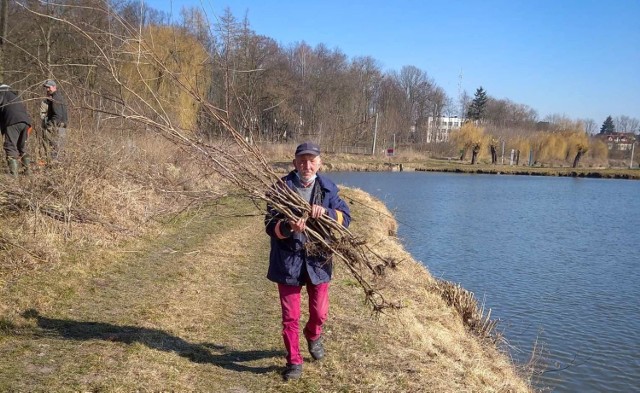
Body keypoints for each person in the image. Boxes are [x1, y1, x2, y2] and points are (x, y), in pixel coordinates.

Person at [264, 142, 351, 381]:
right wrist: (288, 227)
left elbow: (346, 218)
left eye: (312, 160)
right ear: (294, 163)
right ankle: (294, 361)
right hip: (288, 260)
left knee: (320, 312)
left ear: (319, 164)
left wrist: (328, 213)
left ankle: (313, 334)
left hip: (318, 259)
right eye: (302, 160)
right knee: (290, 316)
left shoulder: (328, 190)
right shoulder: (281, 189)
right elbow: (270, 226)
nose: (307, 165)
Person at [0, 84, 33, 176]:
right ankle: (27, 172)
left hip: (12, 122)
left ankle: (13, 175)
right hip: (26, 122)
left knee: (10, 146)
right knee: (21, 147)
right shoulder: (15, 96)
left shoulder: (2, 94)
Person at [42, 79, 68, 163]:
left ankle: (54, 168)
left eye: (48, 87)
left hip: (57, 127)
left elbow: (57, 115)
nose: (47, 89)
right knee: (58, 150)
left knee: (55, 149)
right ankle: (57, 168)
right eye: (46, 88)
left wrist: (49, 125)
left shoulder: (55, 98)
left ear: (54, 87)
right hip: (61, 127)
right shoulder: (58, 97)